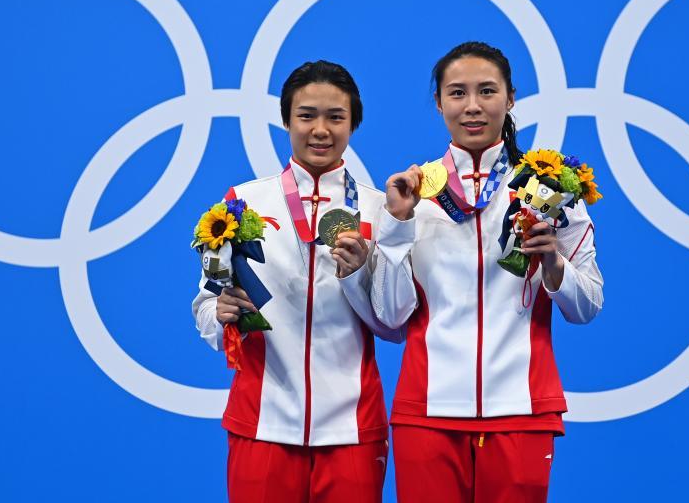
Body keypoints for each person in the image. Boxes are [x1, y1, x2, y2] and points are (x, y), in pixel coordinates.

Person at [369, 42, 604, 503]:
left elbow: (587, 306)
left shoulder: (552, 189)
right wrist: (396, 224)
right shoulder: (411, 193)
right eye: (457, 93)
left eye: (487, 91)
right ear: (439, 103)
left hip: (522, 409)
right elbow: (391, 317)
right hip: (427, 412)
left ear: (511, 98)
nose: (472, 106)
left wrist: (555, 264)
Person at [192, 60, 401, 503]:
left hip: (352, 428)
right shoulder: (242, 201)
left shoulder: (379, 209)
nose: (320, 130)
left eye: (335, 117)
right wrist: (219, 313)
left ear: (354, 124)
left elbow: (394, 326)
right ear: (287, 119)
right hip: (262, 421)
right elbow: (206, 302)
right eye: (307, 116)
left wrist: (359, 274)